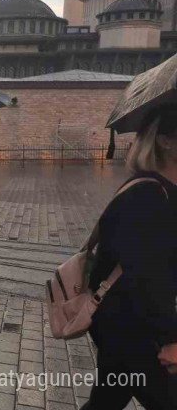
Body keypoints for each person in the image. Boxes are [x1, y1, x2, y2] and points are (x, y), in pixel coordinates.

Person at [81, 106, 177, 410]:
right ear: (165, 140)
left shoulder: (163, 191)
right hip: (133, 329)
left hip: (125, 328)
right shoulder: (148, 195)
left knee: (106, 401)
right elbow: (146, 277)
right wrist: (170, 339)